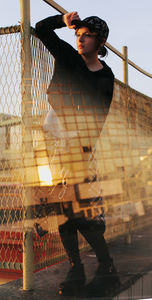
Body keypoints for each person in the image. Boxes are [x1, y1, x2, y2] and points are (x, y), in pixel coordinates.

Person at [35, 12, 120, 296]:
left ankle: (102, 265)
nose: (81, 39)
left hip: (82, 143)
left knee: (80, 209)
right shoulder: (68, 56)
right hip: (57, 137)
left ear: (101, 41)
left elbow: (101, 114)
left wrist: (85, 146)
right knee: (64, 207)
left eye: (87, 35)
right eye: (78, 34)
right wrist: (64, 20)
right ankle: (78, 266)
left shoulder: (106, 75)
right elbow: (42, 29)